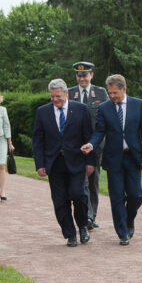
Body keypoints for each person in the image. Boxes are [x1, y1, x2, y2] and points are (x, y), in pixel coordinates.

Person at [81, 74, 142, 245]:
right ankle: (122, 233)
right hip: (113, 159)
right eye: (110, 93)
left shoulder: (139, 105)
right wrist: (90, 144)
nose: (112, 96)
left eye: (115, 93)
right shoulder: (105, 108)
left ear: (124, 89)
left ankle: (129, 220)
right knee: (117, 196)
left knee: (136, 195)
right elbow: (99, 132)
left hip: (133, 157)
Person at [33, 79, 95, 247]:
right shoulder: (42, 112)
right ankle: (69, 234)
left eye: (58, 96)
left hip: (76, 161)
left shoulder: (81, 110)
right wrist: (40, 164)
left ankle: (82, 226)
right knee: (60, 201)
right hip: (54, 163)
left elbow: (89, 136)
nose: (55, 100)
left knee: (78, 194)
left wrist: (90, 162)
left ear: (66, 93)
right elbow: (38, 140)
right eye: (52, 96)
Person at [68, 61, 109, 230]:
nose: (82, 78)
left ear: (91, 75)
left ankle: (92, 215)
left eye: (85, 75)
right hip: (76, 146)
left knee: (93, 180)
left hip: (95, 145)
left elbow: (105, 119)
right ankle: (87, 216)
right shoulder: (69, 93)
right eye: (79, 75)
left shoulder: (100, 92)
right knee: (82, 181)